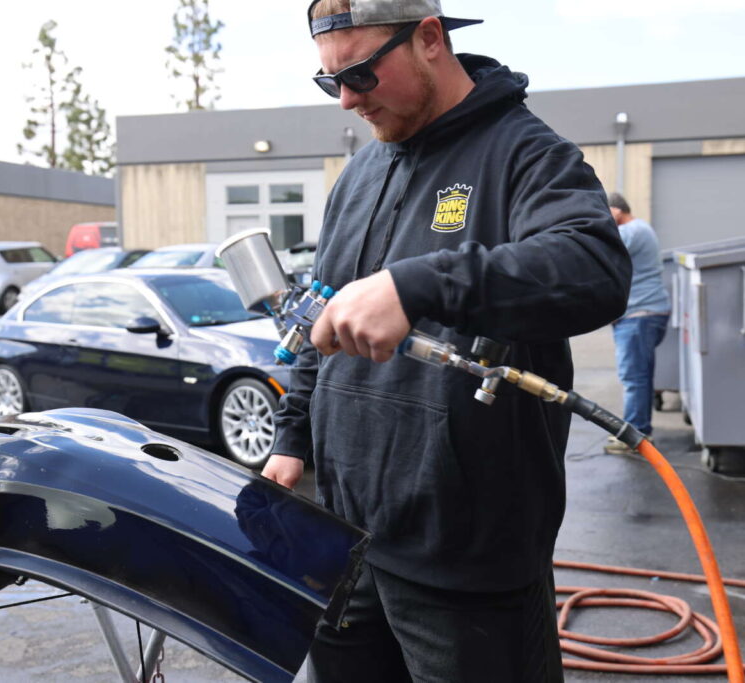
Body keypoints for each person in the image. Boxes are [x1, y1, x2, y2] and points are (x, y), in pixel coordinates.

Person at [262, 1, 632, 680]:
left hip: (468, 564)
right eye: (329, 81)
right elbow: (323, 313)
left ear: (430, 38)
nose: (345, 100)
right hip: (347, 542)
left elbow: (596, 270)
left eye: (361, 75)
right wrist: (292, 439)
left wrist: (417, 285)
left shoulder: (524, 153)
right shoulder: (359, 177)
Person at [604, 192, 671, 455]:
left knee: (634, 378)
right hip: (642, 314)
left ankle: (636, 435)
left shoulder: (632, 231)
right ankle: (639, 432)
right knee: (638, 376)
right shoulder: (640, 229)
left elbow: (602, 250)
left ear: (616, 210)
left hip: (639, 315)